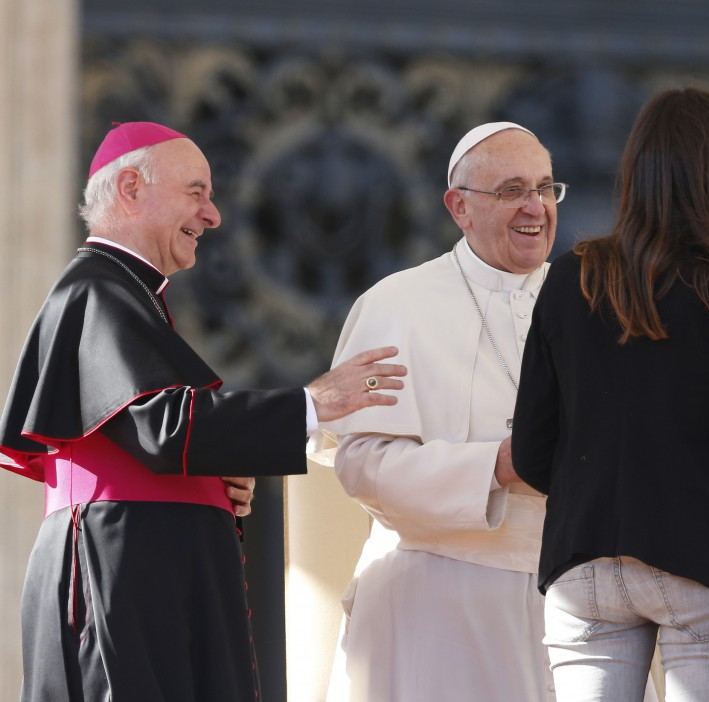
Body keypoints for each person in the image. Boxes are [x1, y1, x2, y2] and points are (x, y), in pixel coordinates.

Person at [0, 121, 406, 702]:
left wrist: (211, 475)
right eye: (197, 192)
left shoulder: (128, 295)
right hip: (120, 567)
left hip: (151, 562)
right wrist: (313, 404)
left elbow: (146, 428)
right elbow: (161, 425)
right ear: (131, 188)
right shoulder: (94, 290)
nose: (212, 215)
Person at [314, 121, 632, 702]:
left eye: (544, 188)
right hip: (435, 600)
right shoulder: (397, 304)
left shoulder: (593, 304)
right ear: (458, 207)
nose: (535, 206)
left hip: (572, 598)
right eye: (511, 190)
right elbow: (362, 465)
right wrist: (495, 467)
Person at [510, 88, 709, 702]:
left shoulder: (570, 278)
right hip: (706, 560)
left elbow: (533, 455)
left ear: (634, 170)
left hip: (584, 562)